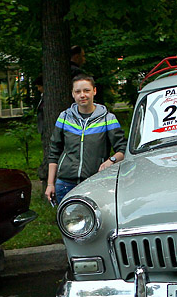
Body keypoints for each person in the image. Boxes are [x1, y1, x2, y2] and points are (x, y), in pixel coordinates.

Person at [45, 74, 127, 204]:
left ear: (94, 91)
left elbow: (123, 149)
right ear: (73, 94)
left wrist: (111, 160)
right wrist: (50, 184)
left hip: (95, 181)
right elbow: (54, 151)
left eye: (86, 90)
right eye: (78, 91)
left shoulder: (108, 119)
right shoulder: (64, 117)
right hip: (65, 183)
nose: (82, 95)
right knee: (68, 222)